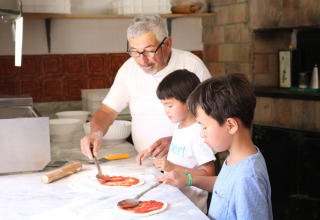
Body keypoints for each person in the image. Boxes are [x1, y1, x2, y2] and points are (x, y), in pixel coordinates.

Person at [80, 14, 211, 160]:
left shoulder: (191, 65)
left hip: (191, 164)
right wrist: (95, 133)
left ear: (167, 44)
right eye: (135, 52)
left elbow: (212, 116)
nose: (142, 60)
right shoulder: (128, 69)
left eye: (149, 50)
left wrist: (177, 140)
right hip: (147, 163)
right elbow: (107, 111)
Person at [156, 73, 273, 220]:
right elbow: (224, 186)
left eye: (204, 127)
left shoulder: (248, 178)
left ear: (231, 125)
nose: (201, 134)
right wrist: (189, 179)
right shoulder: (237, 157)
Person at [153, 69, 216, 213]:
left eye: (169, 105)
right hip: (176, 201)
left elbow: (209, 173)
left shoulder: (198, 133)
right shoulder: (179, 127)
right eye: (163, 105)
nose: (165, 111)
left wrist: (172, 166)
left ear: (188, 103)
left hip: (192, 208)